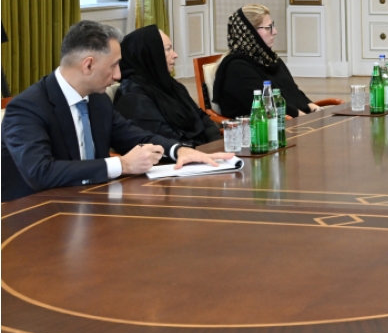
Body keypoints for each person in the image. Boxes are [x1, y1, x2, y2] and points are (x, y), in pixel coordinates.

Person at [1, 21, 232, 203]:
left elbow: (133, 135)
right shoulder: (27, 108)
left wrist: (178, 150)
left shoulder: (98, 99)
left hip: (92, 202)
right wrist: (122, 165)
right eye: (114, 65)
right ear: (88, 65)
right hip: (36, 213)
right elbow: (40, 172)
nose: (119, 75)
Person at [114, 25, 221, 146]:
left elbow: (200, 116)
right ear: (150, 54)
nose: (175, 54)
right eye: (168, 49)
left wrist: (216, 143)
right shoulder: (132, 95)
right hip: (176, 154)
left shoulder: (168, 83)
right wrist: (204, 150)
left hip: (200, 149)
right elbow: (163, 138)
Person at [212, 4, 320, 118]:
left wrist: (315, 108)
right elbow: (269, 105)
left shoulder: (271, 59)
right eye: (268, 27)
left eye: (272, 26)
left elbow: (293, 92)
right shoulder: (236, 68)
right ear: (249, 32)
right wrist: (306, 119)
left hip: (287, 121)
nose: (275, 31)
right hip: (259, 126)